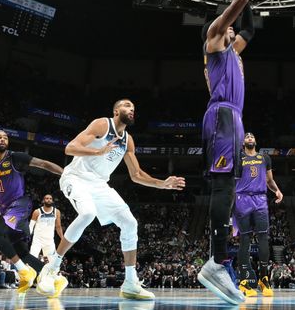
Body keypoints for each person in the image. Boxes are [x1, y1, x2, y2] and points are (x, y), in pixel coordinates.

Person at [36, 99, 186, 299]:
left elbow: (137, 175)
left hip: (99, 185)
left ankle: (130, 282)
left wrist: (162, 183)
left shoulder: (127, 140)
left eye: (133, 107)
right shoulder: (102, 124)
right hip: (75, 177)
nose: (131, 109)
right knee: (88, 213)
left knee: (130, 223)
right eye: (126, 106)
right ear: (116, 111)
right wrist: (97, 151)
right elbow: (70, 148)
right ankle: (51, 268)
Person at [198, 0, 255, 305]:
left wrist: (246, 3)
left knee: (228, 186)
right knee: (223, 185)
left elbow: (249, 25)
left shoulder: (233, 52)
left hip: (231, 119)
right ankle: (217, 261)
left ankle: (217, 260)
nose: (237, 32)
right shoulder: (216, 41)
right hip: (222, 115)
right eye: (230, 28)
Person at [0, 130, 63, 293]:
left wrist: (65, 174)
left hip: (20, 205)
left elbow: (43, 164)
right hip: (6, 210)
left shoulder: (15, 157)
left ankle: (24, 272)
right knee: (22, 253)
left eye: (5, 137)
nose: (3, 139)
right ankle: (57, 279)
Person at [233, 132, 283, 297]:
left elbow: (269, 180)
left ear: (255, 140)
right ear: (243, 142)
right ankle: (244, 281)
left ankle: (264, 278)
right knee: (245, 239)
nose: (249, 136)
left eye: (252, 136)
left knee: (263, 238)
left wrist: (277, 191)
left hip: (260, 199)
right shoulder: (238, 157)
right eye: (246, 136)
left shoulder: (265, 158)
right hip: (242, 198)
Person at [29, 194, 64, 261]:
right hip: (37, 239)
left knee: (51, 261)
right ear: (43, 200)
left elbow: (58, 226)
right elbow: (31, 226)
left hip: (49, 240)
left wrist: (62, 238)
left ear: (52, 201)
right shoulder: (37, 212)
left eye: (50, 198)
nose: (49, 200)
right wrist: (27, 236)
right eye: (47, 198)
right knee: (32, 258)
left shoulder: (56, 212)